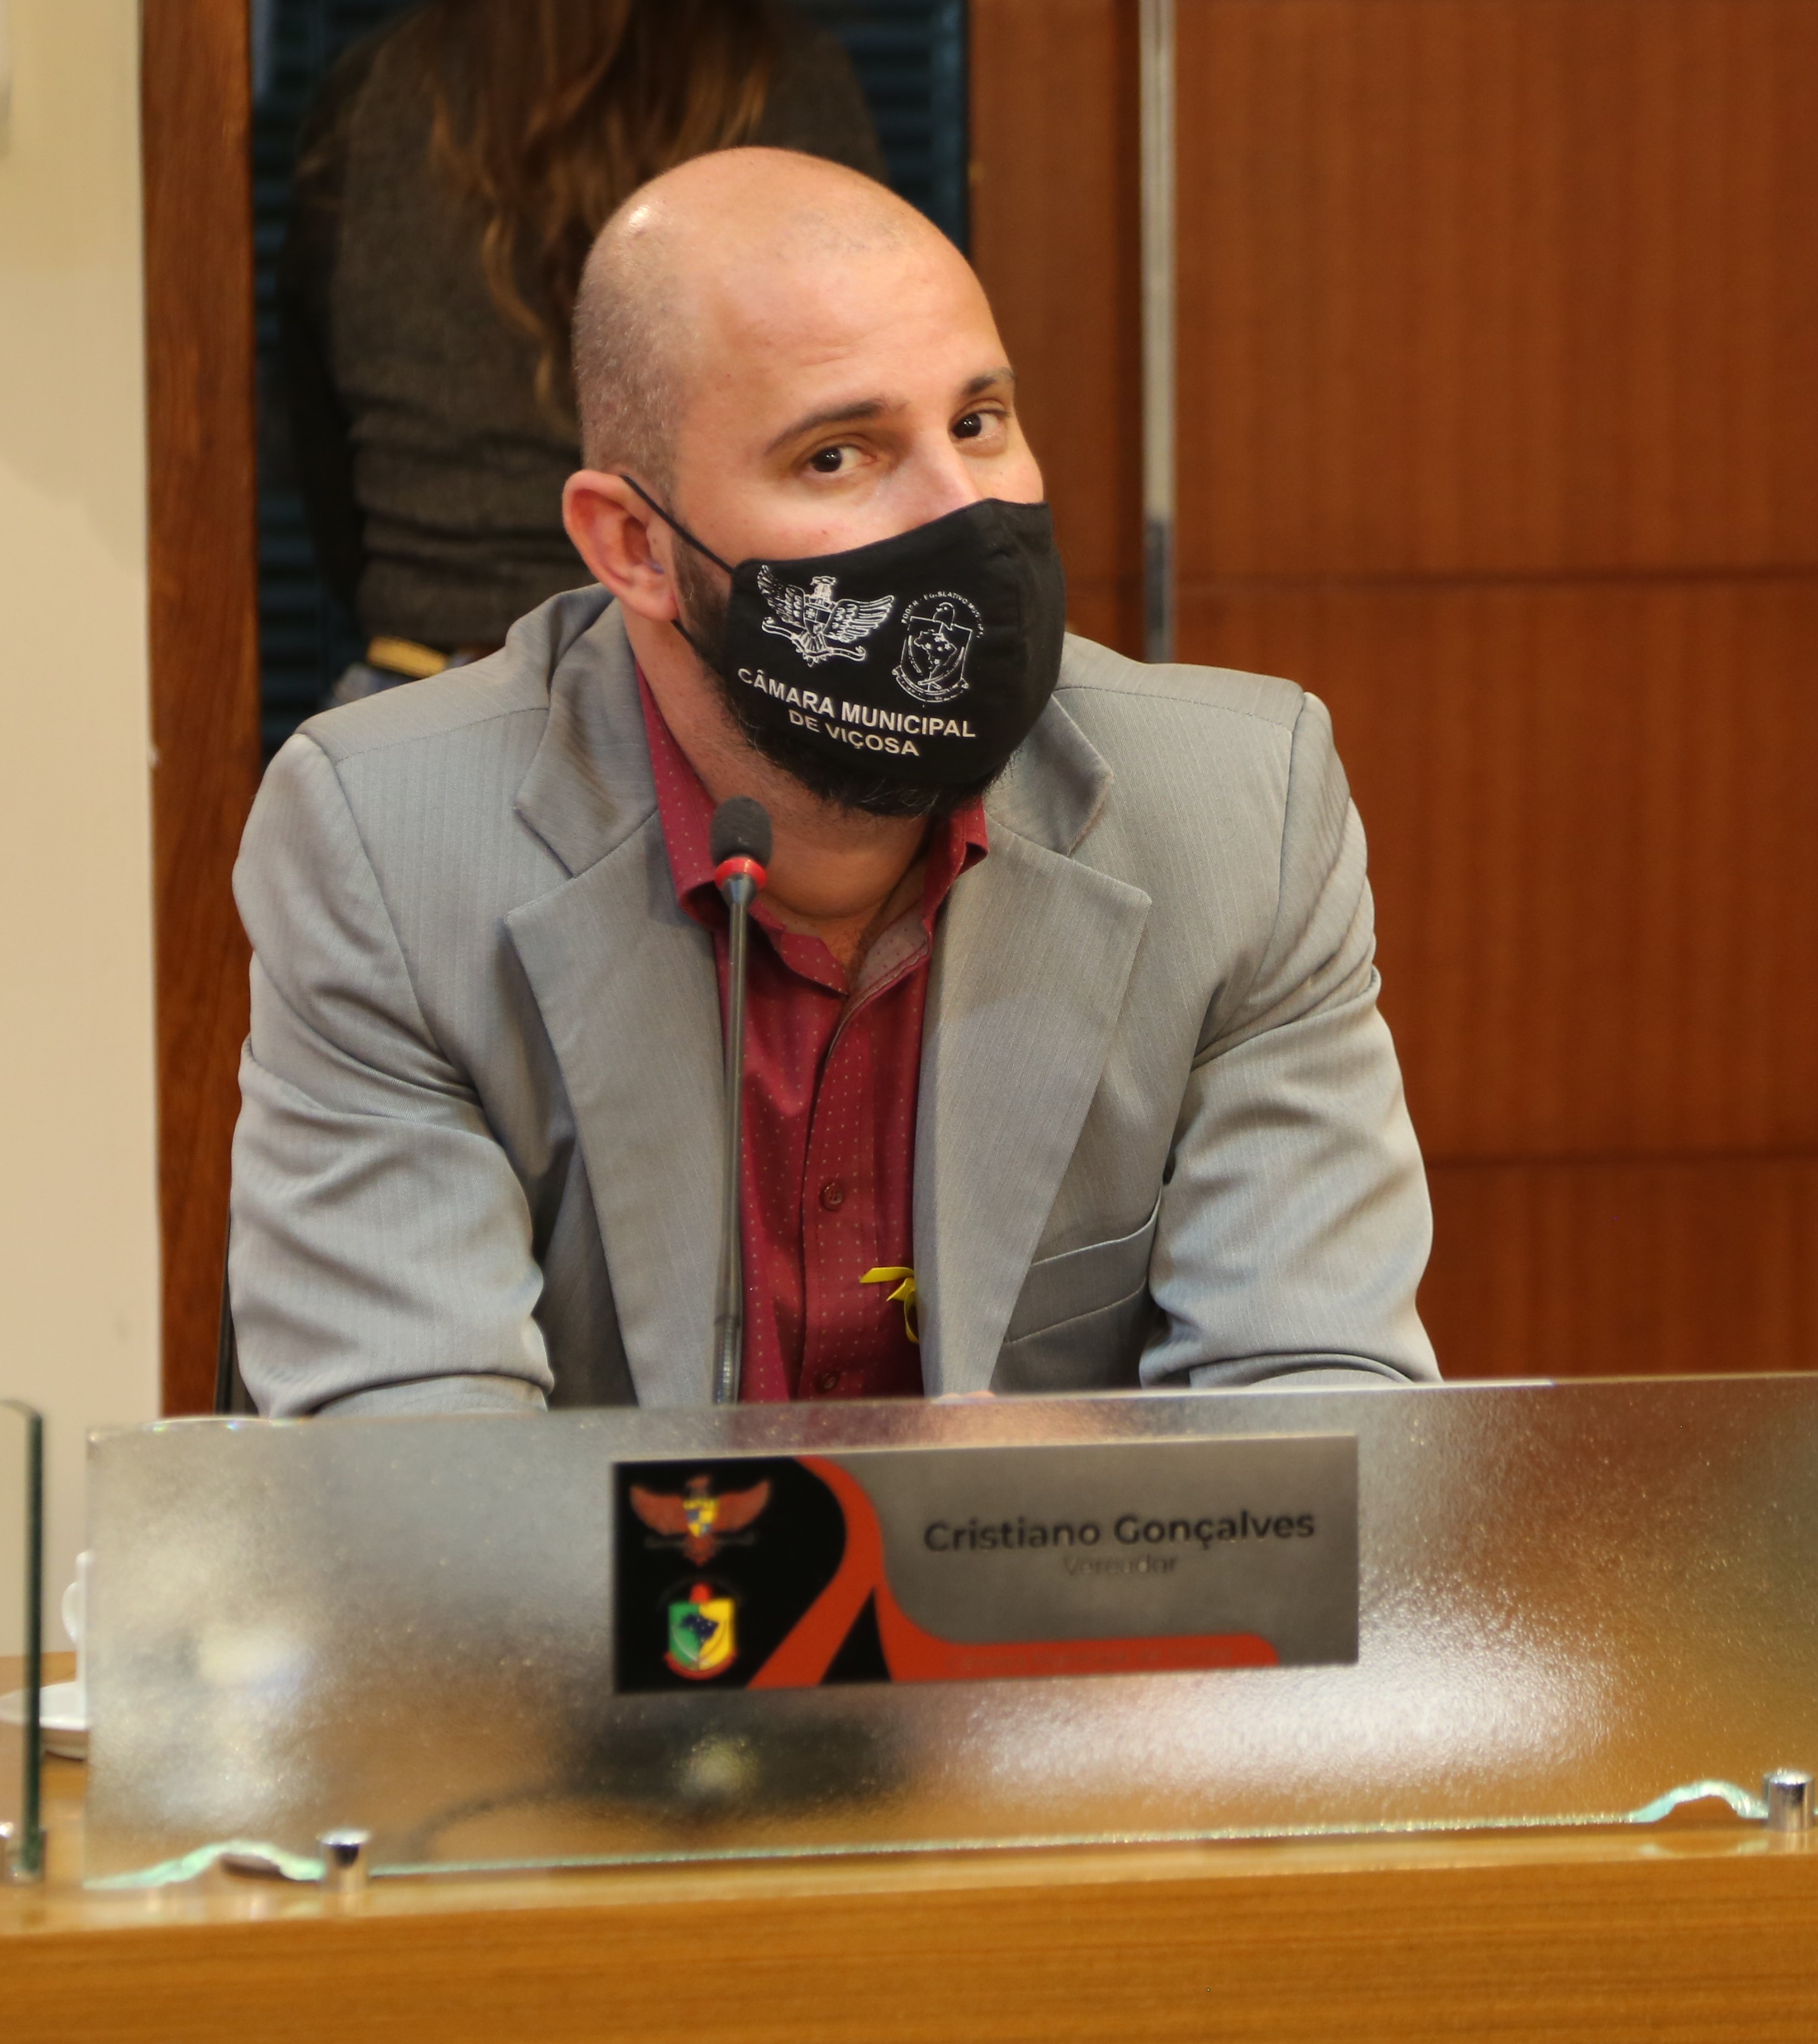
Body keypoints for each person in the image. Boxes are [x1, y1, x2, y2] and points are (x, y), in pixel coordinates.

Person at [230, 147, 1439, 1416]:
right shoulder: (392, 849)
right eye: (837, 457)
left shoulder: (1238, 815)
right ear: (634, 545)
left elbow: (1313, 1421)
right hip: (619, 1564)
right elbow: (419, 1479)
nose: (961, 512)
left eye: (977, 423)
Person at [276, 0, 883, 701]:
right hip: (712, 693)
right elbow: (861, 422)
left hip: (432, 679)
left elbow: (317, 442)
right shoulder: (787, 79)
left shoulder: (377, 88)